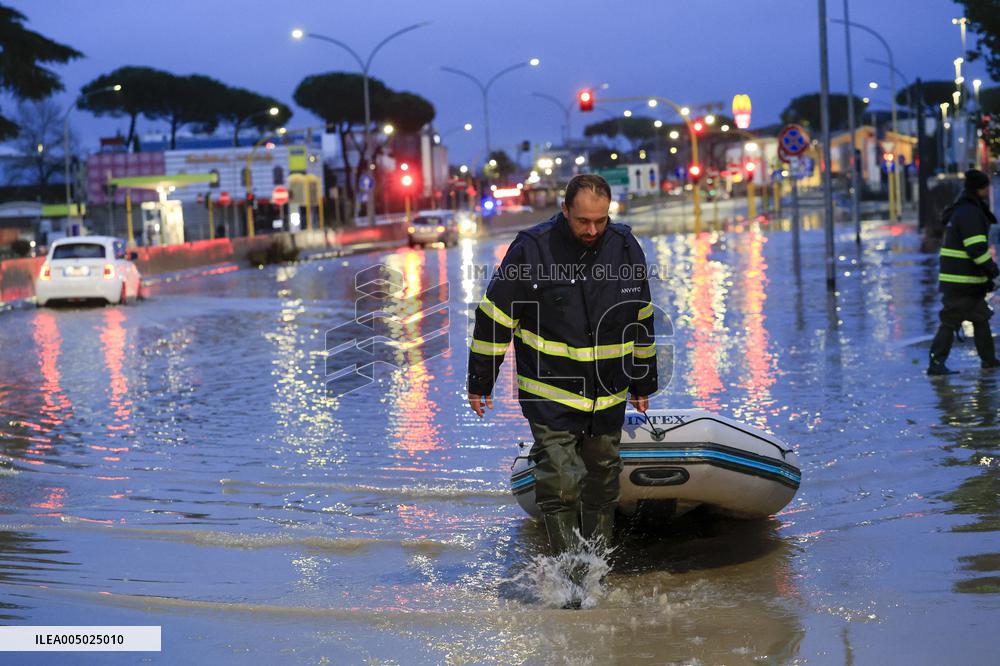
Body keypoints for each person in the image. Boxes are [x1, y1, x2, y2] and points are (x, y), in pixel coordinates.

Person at [467, 174, 658, 555]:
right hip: (549, 392)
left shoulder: (624, 248)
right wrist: (480, 381)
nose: (592, 230)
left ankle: (596, 569)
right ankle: (567, 576)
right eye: (583, 220)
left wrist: (643, 383)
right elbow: (495, 318)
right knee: (561, 483)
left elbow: (641, 317)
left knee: (603, 480)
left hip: (607, 394)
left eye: (600, 221)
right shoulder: (531, 250)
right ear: (565, 209)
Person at [928, 169, 1000, 375]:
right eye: (986, 186)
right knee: (950, 321)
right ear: (981, 189)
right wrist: (994, 272)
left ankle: (989, 360)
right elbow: (976, 249)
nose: (989, 190)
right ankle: (936, 363)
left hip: (963, 280)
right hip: (962, 281)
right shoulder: (970, 213)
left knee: (980, 317)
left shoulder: (964, 209)